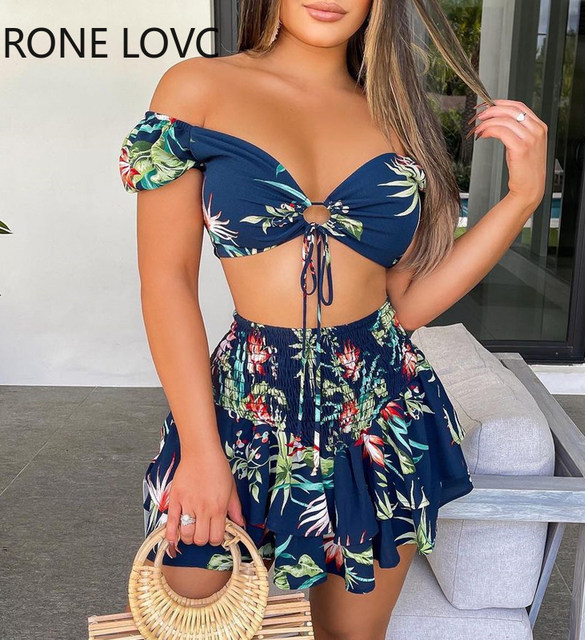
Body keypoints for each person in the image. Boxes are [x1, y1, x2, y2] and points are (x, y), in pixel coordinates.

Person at [118, 0, 547, 637]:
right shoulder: (198, 87)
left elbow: (405, 307)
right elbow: (167, 282)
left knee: (351, 636)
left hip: (378, 410)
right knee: (193, 615)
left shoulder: (397, 116)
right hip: (242, 406)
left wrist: (522, 198)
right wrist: (202, 452)